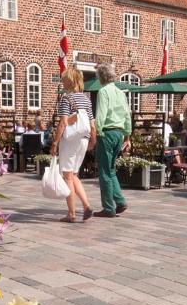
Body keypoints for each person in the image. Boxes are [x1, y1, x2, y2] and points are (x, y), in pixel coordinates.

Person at [50, 68, 95, 222]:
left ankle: (71, 213)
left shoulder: (66, 99)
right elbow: (92, 124)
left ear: (69, 81)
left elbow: (63, 123)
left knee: (67, 176)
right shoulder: (87, 99)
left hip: (70, 140)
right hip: (83, 138)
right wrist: (92, 140)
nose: (62, 82)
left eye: (64, 79)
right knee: (74, 174)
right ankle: (87, 205)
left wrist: (55, 143)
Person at [92, 62, 131, 218]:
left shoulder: (103, 92)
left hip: (106, 133)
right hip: (119, 134)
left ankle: (109, 207)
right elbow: (127, 115)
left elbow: (100, 115)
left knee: (104, 172)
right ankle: (120, 201)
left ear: (100, 77)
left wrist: (96, 134)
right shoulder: (120, 92)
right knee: (111, 170)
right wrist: (127, 135)